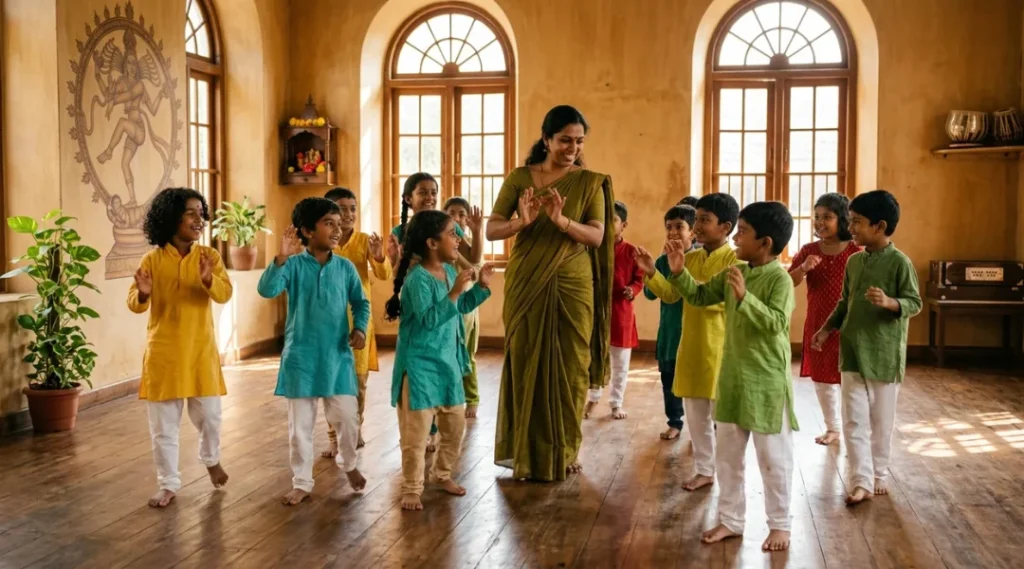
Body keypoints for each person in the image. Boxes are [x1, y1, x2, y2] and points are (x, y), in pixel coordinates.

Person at [637, 201, 798, 552]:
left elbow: (777, 324)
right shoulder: (732, 272)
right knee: (727, 457)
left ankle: (780, 524)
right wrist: (677, 272)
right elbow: (695, 296)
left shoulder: (779, 278)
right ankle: (731, 520)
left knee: (772, 459)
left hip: (766, 383)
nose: (738, 237)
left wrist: (745, 299)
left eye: (744, 232)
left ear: (766, 242)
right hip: (731, 378)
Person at [487, 105, 615, 480]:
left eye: (578, 141)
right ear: (546, 139)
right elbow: (492, 230)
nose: (572, 148)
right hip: (527, 279)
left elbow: (596, 235)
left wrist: (562, 221)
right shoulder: (520, 178)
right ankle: (523, 451)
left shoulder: (590, 181)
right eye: (564, 140)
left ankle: (566, 449)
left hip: (573, 283)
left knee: (572, 365)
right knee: (526, 360)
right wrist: (519, 222)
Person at [257, 198, 371, 505]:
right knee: (300, 430)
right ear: (307, 230)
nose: (337, 229)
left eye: (339, 223)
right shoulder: (292, 266)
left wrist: (359, 328)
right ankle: (302, 482)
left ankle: (348, 464)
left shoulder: (345, 267)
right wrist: (280, 257)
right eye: (329, 223)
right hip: (301, 360)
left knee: (348, 419)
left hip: (337, 358)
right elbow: (266, 289)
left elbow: (361, 302)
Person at [812, 189, 921, 505]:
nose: (851, 228)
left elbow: (914, 302)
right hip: (852, 352)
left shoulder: (900, 263)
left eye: (857, 222)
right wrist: (826, 329)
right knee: (853, 419)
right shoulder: (854, 262)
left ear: (880, 226)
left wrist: (890, 303)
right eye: (850, 220)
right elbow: (844, 302)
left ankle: (879, 475)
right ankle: (860, 481)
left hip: (885, 356)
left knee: (880, 421)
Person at [128, 187, 232, 508]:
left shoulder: (209, 257)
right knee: (163, 429)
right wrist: (144, 293)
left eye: (201, 212)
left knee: (211, 418)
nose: (198, 219)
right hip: (164, 355)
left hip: (200, 352)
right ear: (171, 217)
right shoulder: (152, 259)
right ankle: (168, 484)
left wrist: (206, 280)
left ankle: (211, 458)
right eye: (190, 213)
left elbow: (224, 294)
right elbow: (134, 303)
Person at [384, 210, 494, 511]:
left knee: (454, 429)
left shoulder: (447, 272)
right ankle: (411, 488)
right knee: (415, 438)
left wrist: (480, 287)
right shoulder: (417, 280)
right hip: (419, 370)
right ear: (432, 243)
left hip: (447, 367)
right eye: (452, 233)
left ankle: (441, 473)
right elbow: (430, 319)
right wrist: (457, 290)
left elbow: (458, 308)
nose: (458, 238)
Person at [642, 192, 739, 491]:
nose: (697, 226)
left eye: (705, 220)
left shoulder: (736, 260)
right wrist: (651, 273)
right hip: (692, 347)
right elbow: (672, 295)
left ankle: (729, 474)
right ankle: (705, 469)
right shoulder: (691, 257)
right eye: (696, 220)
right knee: (696, 416)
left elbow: (711, 299)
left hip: (721, 348)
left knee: (723, 420)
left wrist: (682, 276)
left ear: (725, 227)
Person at [391, 174, 483, 450]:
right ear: (409, 198)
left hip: (449, 308)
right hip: (424, 315)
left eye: (434, 192)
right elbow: (401, 277)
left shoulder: (446, 243)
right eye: (423, 192)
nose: (430, 197)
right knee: (420, 385)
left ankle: (441, 448)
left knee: (455, 358)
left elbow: (470, 265)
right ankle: (421, 434)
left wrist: (479, 286)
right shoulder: (415, 269)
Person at [319, 187, 393, 455]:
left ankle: (355, 428)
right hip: (327, 325)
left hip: (359, 324)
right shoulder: (321, 241)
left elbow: (384, 275)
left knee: (357, 383)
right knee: (330, 381)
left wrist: (378, 255)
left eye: (353, 208)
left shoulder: (364, 241)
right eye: (342, 208)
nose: (349, 214)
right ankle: (333, 436)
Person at [789, 193, 861, 446]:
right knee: (822, 379)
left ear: (842, 220)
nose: (820, 222)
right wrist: (804, 268)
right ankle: (833, 428)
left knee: (850, 378)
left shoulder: (856, 250)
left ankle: (855, 427)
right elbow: (789, 282)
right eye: (816, 217)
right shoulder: (808, 250)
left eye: (827, 217)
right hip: (819, 323)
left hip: (850, 324)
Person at [642, 204, 696, 440]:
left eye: (679, 227)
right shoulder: (663, 261)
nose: (673, 231)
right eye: (669, 227)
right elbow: (650, 294)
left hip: (693, 334)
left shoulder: (698, 260)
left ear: (692, 232)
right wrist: (652, 270)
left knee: (696, 385)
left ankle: (702, 427)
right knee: (669, 381)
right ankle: (675, 422)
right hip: (669, 333)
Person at [585, 200, 642, 420]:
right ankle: (593, 398)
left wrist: (632, 290)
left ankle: (616, 403)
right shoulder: (594, 250)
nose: (609, 224)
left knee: (620, 364)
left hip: (621, 315)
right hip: (596, 314)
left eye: (614, 220)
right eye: (605, 220)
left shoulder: (632, 252)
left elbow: (639, 279)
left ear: (623, 225)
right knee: (595, 359)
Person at [444, 197, 483, 419]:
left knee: (466, 354)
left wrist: (477, 233)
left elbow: (475, 271)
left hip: (466, 309)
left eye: (461, 214)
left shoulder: (468, 242)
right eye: (452, 213)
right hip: (446, 305)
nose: (457, 218)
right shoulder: (439, 242)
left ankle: (472, 397)